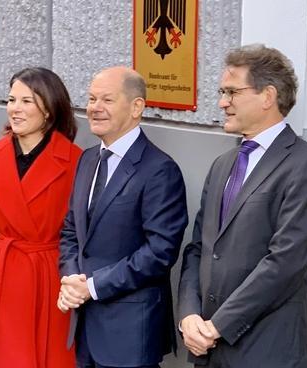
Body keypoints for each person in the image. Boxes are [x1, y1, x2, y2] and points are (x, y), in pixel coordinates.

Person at [177, 44, 307, 368]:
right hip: (209, 351)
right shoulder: (223, 164)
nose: (222, 102)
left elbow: (284, 264)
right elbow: (198, 249)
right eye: (222, 91)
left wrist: (218, 326)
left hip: (267, 351)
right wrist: (189, 314)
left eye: (232, 92)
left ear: (268, 96)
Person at [58, 66, 188, 368]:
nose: (95, 108)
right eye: (91, 99)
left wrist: (92, 287)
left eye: (107, 100)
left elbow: (159, 253)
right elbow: (70, 231)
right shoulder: (88, 159)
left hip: (129, 334)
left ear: (136, 107)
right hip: (85, 329)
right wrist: (71, 278)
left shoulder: (159, 170)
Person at [0, 67, 81, 368]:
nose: (15, 109)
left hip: (53, 280)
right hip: (6, 277)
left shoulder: (76, 161)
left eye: (27, 101)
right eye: (12, 100)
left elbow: (82, 231)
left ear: (49, 110)